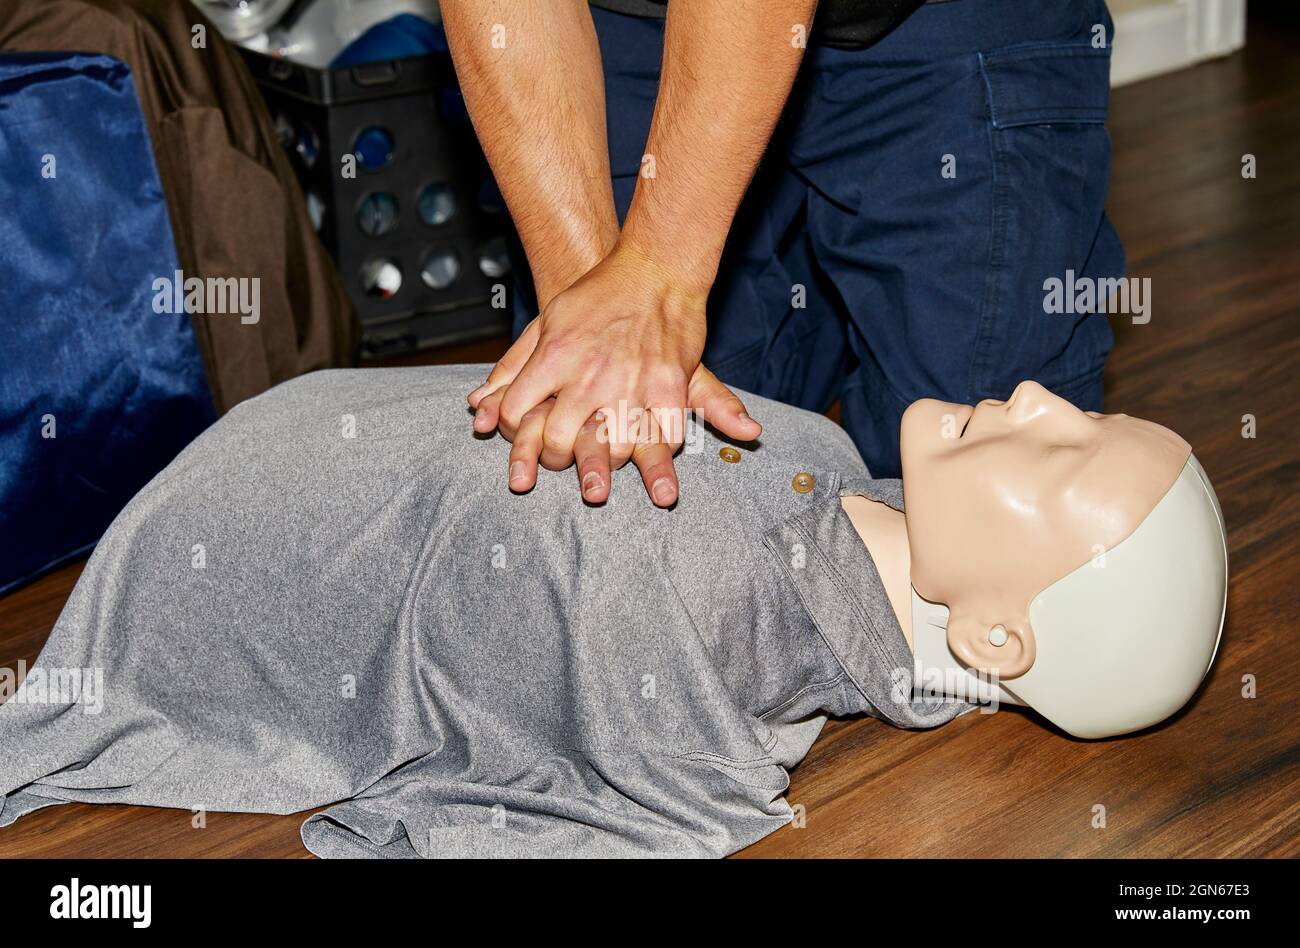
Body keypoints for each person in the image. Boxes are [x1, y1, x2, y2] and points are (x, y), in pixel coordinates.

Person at [0, 367, 1225, 857]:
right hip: (268, 483)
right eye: (1091, 412)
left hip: (250, 531)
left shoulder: (709, 596)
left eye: (1064, 454)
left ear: (993, 642)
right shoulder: (820, 454)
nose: (1035, 390)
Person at [440, 0, 1123, 504]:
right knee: (636, 468)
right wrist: (587, 311)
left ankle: (853, 264)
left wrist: (660, 272)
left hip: (941, 20)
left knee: (989, 492)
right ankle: (819, 288)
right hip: (636, 25)